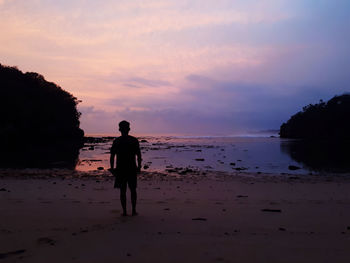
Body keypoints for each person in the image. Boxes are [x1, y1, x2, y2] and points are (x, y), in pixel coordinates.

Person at [110, 120, 142, 216]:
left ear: (119, 129)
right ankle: (133, 210)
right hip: (131, 168)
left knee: (122, 190)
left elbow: (112, 156)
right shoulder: (134, 140)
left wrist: (112, 168)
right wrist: (139, 167)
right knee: (133, 190)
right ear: (129, 129)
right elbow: (139, 155)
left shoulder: (117, 141)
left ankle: (124, 211)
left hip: (120, 168)